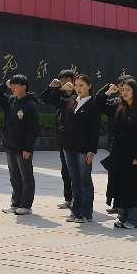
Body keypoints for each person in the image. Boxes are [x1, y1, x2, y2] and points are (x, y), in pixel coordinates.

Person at [95, 77, 137, 229]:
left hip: (133, 154)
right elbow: (99, 103)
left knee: (132, 186)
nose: (124, 92)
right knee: (119, 184)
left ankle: (133, 219)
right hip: (118, 152)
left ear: (135, 91)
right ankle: (122, 216)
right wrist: (107, 91)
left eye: (128, 90)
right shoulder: (119, 105)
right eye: (123, 90)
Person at [0, 74, 40, 215]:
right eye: (11, 85)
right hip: (10, 145)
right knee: (14, 176)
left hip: (23, 148)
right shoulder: (10, 101)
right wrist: (5, 84)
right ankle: (15, 203)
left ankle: (26, 205)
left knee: (26, 176)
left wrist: (28, 148)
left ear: (24, 87)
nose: (12, 88)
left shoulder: (30, 105)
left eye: (15, 85)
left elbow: (33, 129)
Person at [59, 74, 100, 224]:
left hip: (84, 149)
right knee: (74, 180)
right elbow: (50, 100)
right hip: (68, 146)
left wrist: (91, 150)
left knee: (84, 180)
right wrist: (60, 89)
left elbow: (95, 130)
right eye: (76, 85)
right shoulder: (72, 101)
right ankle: (75, 211)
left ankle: (86, 213)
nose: (78, 88)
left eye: (81, 85)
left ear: (89, 86)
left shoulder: (93, 104)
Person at [43, 69, 78, 210]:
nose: (65, 83)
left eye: (67, 80)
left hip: (77, 140)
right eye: (62, 80)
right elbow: (45, 100)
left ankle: (77, 199)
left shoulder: (79, 95)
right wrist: (51, 88)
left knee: (76, 172)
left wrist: (73, 90)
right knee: (65, 171)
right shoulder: (59, 95)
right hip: (63, 139)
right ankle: (68, 199)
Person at [104, 75, 127, 214]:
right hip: (115, 144)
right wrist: (107, 92)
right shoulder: (115, 101)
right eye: (121, 86)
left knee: (125, 178)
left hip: (128, 148)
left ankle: (125, 206)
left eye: (126, 86)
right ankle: (116, 204)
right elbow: (99, 104)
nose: (123, 89)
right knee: (114, 176)